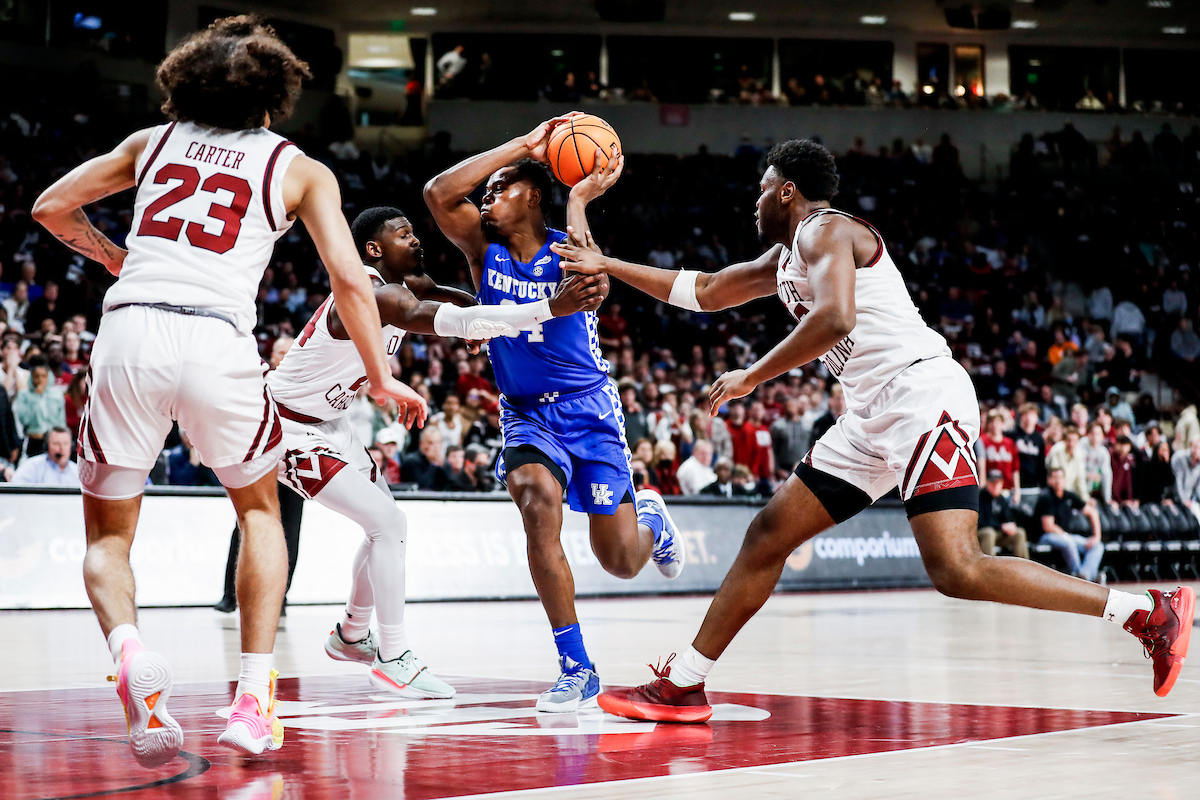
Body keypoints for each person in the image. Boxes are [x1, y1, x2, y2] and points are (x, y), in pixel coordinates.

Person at [552, 138, 1192, 722]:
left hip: (920, 398)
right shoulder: (787, 255)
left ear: (787, 192)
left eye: (762, 189)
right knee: (770, 532)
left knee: (957, 569)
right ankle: (684, 685)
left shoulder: (826, 229)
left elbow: (835, 318)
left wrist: (753, 375)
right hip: (868, 416)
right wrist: (608, 264)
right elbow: (710, 290)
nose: (754, 201)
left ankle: (1145, 612)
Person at [30, 16, 426, 762]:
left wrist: (116, 258)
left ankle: (129, 653)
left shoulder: (150, 143)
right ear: (274, 98)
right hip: (218, 339)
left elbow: (49, 207)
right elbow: (351, 282)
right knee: (260, 513)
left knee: (109, 538)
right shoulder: (300, 168)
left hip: (131, 333)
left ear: (184, 83)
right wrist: (379, 376)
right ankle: (252, 699)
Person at [269, 204, 601, 692]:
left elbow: (454, 300)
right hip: (287, 426)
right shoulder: (372, 293)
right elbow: (437, 316)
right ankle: (393, 653)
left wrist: (476, 317)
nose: (416, 239)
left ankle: (351, 635)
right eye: (404, 234)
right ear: (374, 249)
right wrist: (549, 308)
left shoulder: (404, 285)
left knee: (384, 526)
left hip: (331, 421)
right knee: (388, 525)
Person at [424, 113, 684, 712]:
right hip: (524, 414)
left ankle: (652, 517)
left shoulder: (569, 250)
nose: (486, 198)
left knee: (621, 562)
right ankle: (576, 667)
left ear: (533, 196)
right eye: (487, 192)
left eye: (501, 188)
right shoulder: (483, 250)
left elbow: (593, 276)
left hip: (589, 411)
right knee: (537, 502)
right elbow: (438, 193)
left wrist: (580, 198)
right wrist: (522, 145)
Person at [1036, 467, 1104, 583]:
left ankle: (1085, 575)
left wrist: (1096, 536)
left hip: (1066, 536)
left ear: (1065, 480)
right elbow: (1048, 526)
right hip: (1046, 536)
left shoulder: (1069, 496)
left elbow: (1092, 512)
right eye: (1055, 478)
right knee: (1069, 542)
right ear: (1049, 480)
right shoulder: (1046, 498)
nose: (1059, 481)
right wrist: (1065, 536)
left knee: (1098, 546)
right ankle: (1078, 577)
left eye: (1061, 478)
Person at [12, 362, 65, 457]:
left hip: (52, 440)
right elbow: (24, 420)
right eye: (37, 376)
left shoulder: (57, 395)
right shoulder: (24, 395)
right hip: (34, 440)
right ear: (31, 378)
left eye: (44, 376)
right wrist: (36, 398)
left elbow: (61, 421)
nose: (40, 379)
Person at [977, 469, 1029, 558]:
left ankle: (1023, 564)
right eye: (993, 483)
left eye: (998, 483)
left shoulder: (1001, 499)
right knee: (989, 533)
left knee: (1020, 533)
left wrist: (1011, 525)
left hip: (999, 533)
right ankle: (990, 565)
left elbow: (1008, 517)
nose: (995, 486)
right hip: (982, 532)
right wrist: (1001, 526)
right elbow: (980, 522)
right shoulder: (980, 497)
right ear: (987, 483)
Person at [9, 426, 79, 486]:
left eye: (65, 444)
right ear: (47, 446)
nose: (62, 448)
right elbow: (16, 486)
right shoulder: (32, 466)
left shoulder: (78, 471)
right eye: (56, 444)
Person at [1011, 402, 1047, 489]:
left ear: (1037, 418)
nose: (1029, 418)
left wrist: (1043, 485)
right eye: (1026, 415)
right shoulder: (1013, 435)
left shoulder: (1039, 438)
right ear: (1021, 417)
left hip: (1033, 483)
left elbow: (1041, 463)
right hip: (1015, 483)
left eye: (1032, 415)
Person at [1172, 438, 1200, 522]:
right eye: (1195, 447)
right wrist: (1184, 500)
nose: (1196, 450)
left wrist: (1193, 500)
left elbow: (1197, 487)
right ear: (1190, 446)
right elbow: (1178, 482)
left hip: (1190, 500)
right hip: (1176, 498)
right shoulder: (1180, 458)